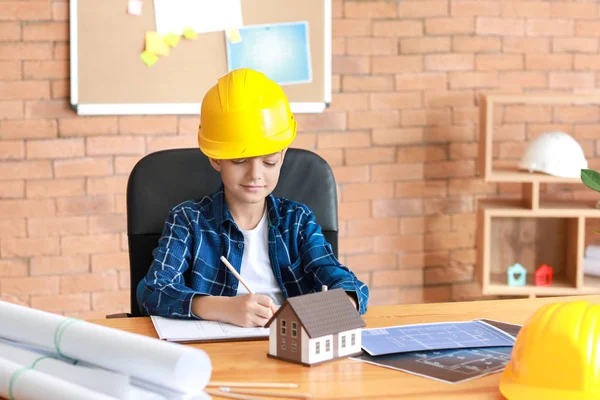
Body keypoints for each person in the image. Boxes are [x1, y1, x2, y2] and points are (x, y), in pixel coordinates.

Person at [136, 68, 369, 327]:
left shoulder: (298, 221)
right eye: (239, 160)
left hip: (289, 345)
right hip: (216, 351)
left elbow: (345, 282)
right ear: (215, 158)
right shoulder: (188, 220)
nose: (255, 175)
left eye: (269, 162)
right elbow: (152, 291)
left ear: (282, 156)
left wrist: (344, 302)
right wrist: (221, 308)